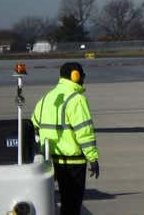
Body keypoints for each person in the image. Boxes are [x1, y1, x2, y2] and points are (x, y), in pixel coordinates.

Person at [32, 61, 99, 215]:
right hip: (73, 163)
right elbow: (84, 132)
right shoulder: (77, 99)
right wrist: (93, 157)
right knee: (72, 205)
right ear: (75, 76)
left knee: (55, 202)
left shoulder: (45, 98)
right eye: (82, 75)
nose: (83, 78)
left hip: (51, 160)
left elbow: (34, 126)